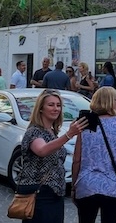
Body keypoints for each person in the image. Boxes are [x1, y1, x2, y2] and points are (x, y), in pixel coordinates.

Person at [14, 89, 87, 222]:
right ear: (41, 108)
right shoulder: (34, 131)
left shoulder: (53, 132)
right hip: (40, 193)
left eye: (58, 105)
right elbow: (42, 150)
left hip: (56, 193)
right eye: (51, 105)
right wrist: (69, 135)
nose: (56, 109)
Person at [72, 87, 116, 223]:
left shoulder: (85, 124)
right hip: (113, 185)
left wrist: (75, 185)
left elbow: (77, 159)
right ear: (111, 102)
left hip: (87, 184)